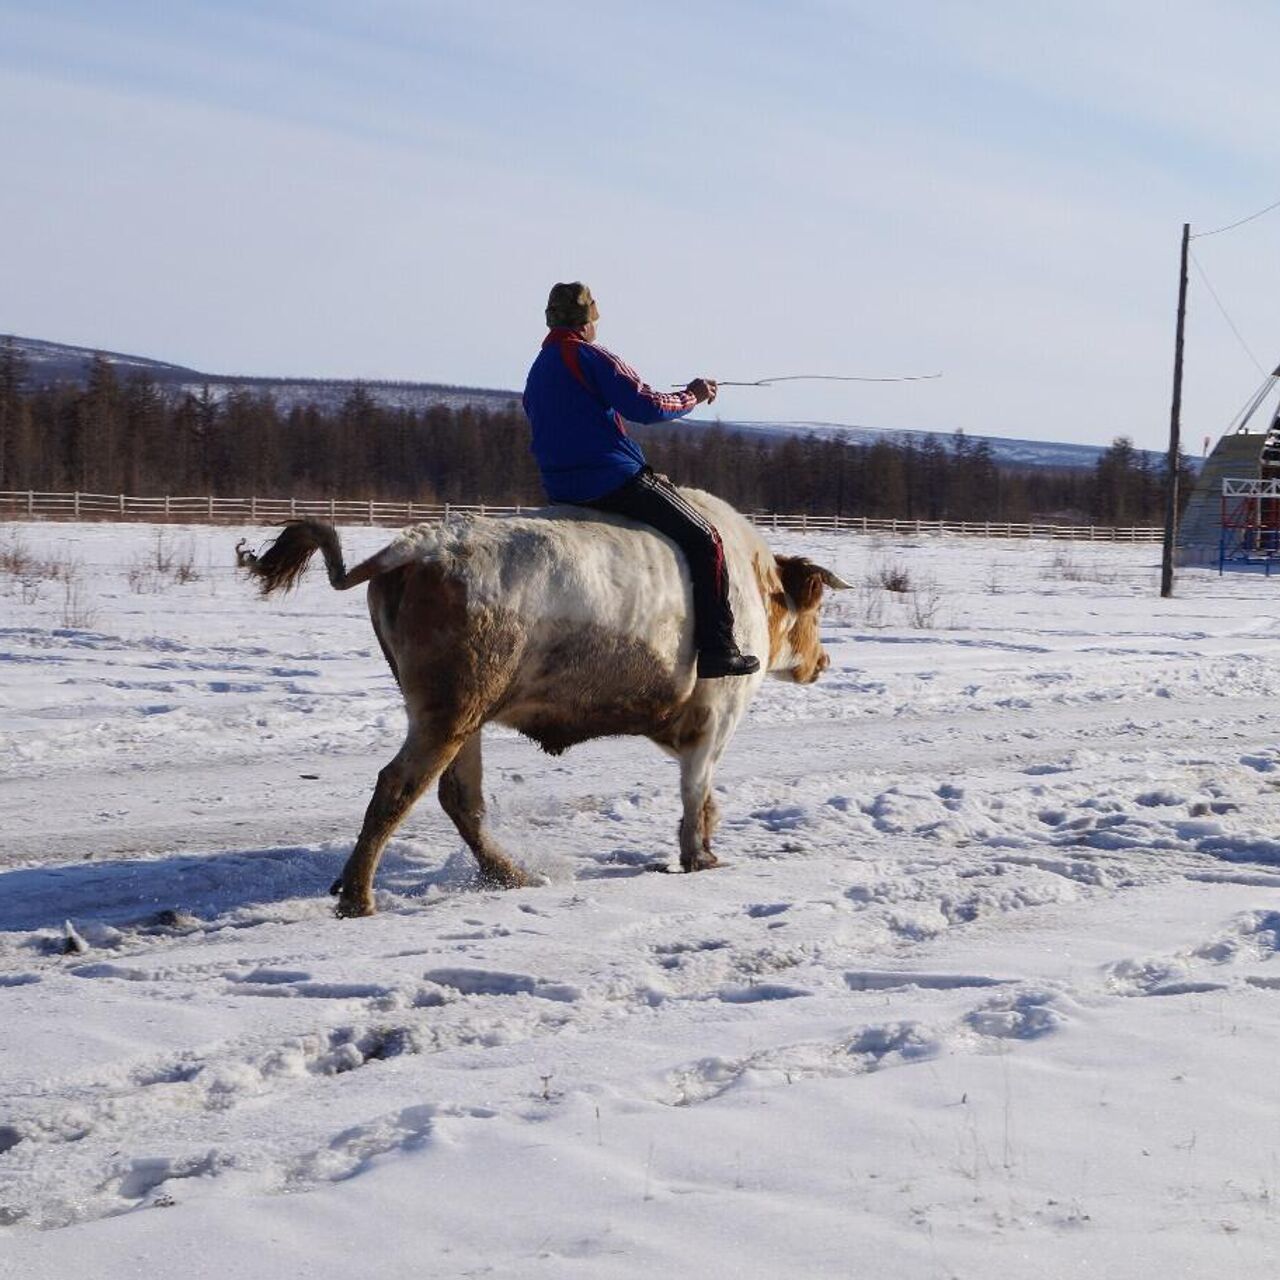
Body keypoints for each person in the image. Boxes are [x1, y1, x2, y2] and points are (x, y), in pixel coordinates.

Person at [522, 282, 761, 679]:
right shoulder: (590, 356)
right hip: (612, 482)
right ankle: (719, 648)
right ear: (586, 322)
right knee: (707, 540)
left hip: (561, 488)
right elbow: (646, 405)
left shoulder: (538, 369)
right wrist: (693, 395)